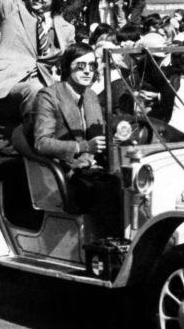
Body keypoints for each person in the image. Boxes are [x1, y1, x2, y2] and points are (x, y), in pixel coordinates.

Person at [28, 42, 121, 238]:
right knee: (109, 190)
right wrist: (84, 146)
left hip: (94, 167)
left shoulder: (91, 95)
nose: (87, 71)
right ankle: (105, 250)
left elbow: (98, 132)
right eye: (81, 65)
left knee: (131, 183)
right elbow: (41, 142)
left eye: (92, 66)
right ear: (67, 66)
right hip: (65, 171)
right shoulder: (49, 96)